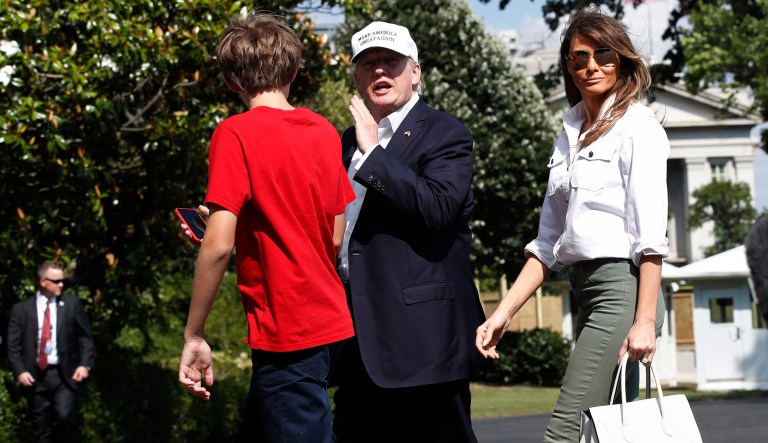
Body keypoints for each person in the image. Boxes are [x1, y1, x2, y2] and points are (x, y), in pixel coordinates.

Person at [475, 9, 669, 443]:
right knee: (606, 432)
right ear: (568, 65)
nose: (591, 66)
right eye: (579, 57)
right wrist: (502, 314)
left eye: (603, 54)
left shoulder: (638, 127)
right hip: (586, 292)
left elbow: (650, 238)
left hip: (623, 292)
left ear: (621, 60)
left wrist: (644, 320)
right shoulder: (569, 135)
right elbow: (547, 245)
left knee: (565, 430)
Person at [176, 13, 356, 443]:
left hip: (287, 330)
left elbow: (217, 247)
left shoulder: (234, 133)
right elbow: (331, 234)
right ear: (294, 70)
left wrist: (194, 334)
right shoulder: (323, 131)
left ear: (229, 80)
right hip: (329, 321)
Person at [331, 21, 487, 443]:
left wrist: (374, 153)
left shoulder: (447, 134)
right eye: (369, 64)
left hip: (424, 343)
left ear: (415, 72)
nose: (380, 72)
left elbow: (438, 208)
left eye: (391, 63)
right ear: (358, 77)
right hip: (358, 341)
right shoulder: (345, 142)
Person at [7, 262, 96, 443]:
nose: (61, 285)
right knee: (41, 426)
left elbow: (86, 337)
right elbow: (13, 345)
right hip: (35, 376)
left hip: (64, 374)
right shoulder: (21, 310)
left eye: (62, 281)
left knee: (64, 417)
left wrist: (84, 365)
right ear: (42, 281)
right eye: (56, 281)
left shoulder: (72, 305)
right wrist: (20, 371)